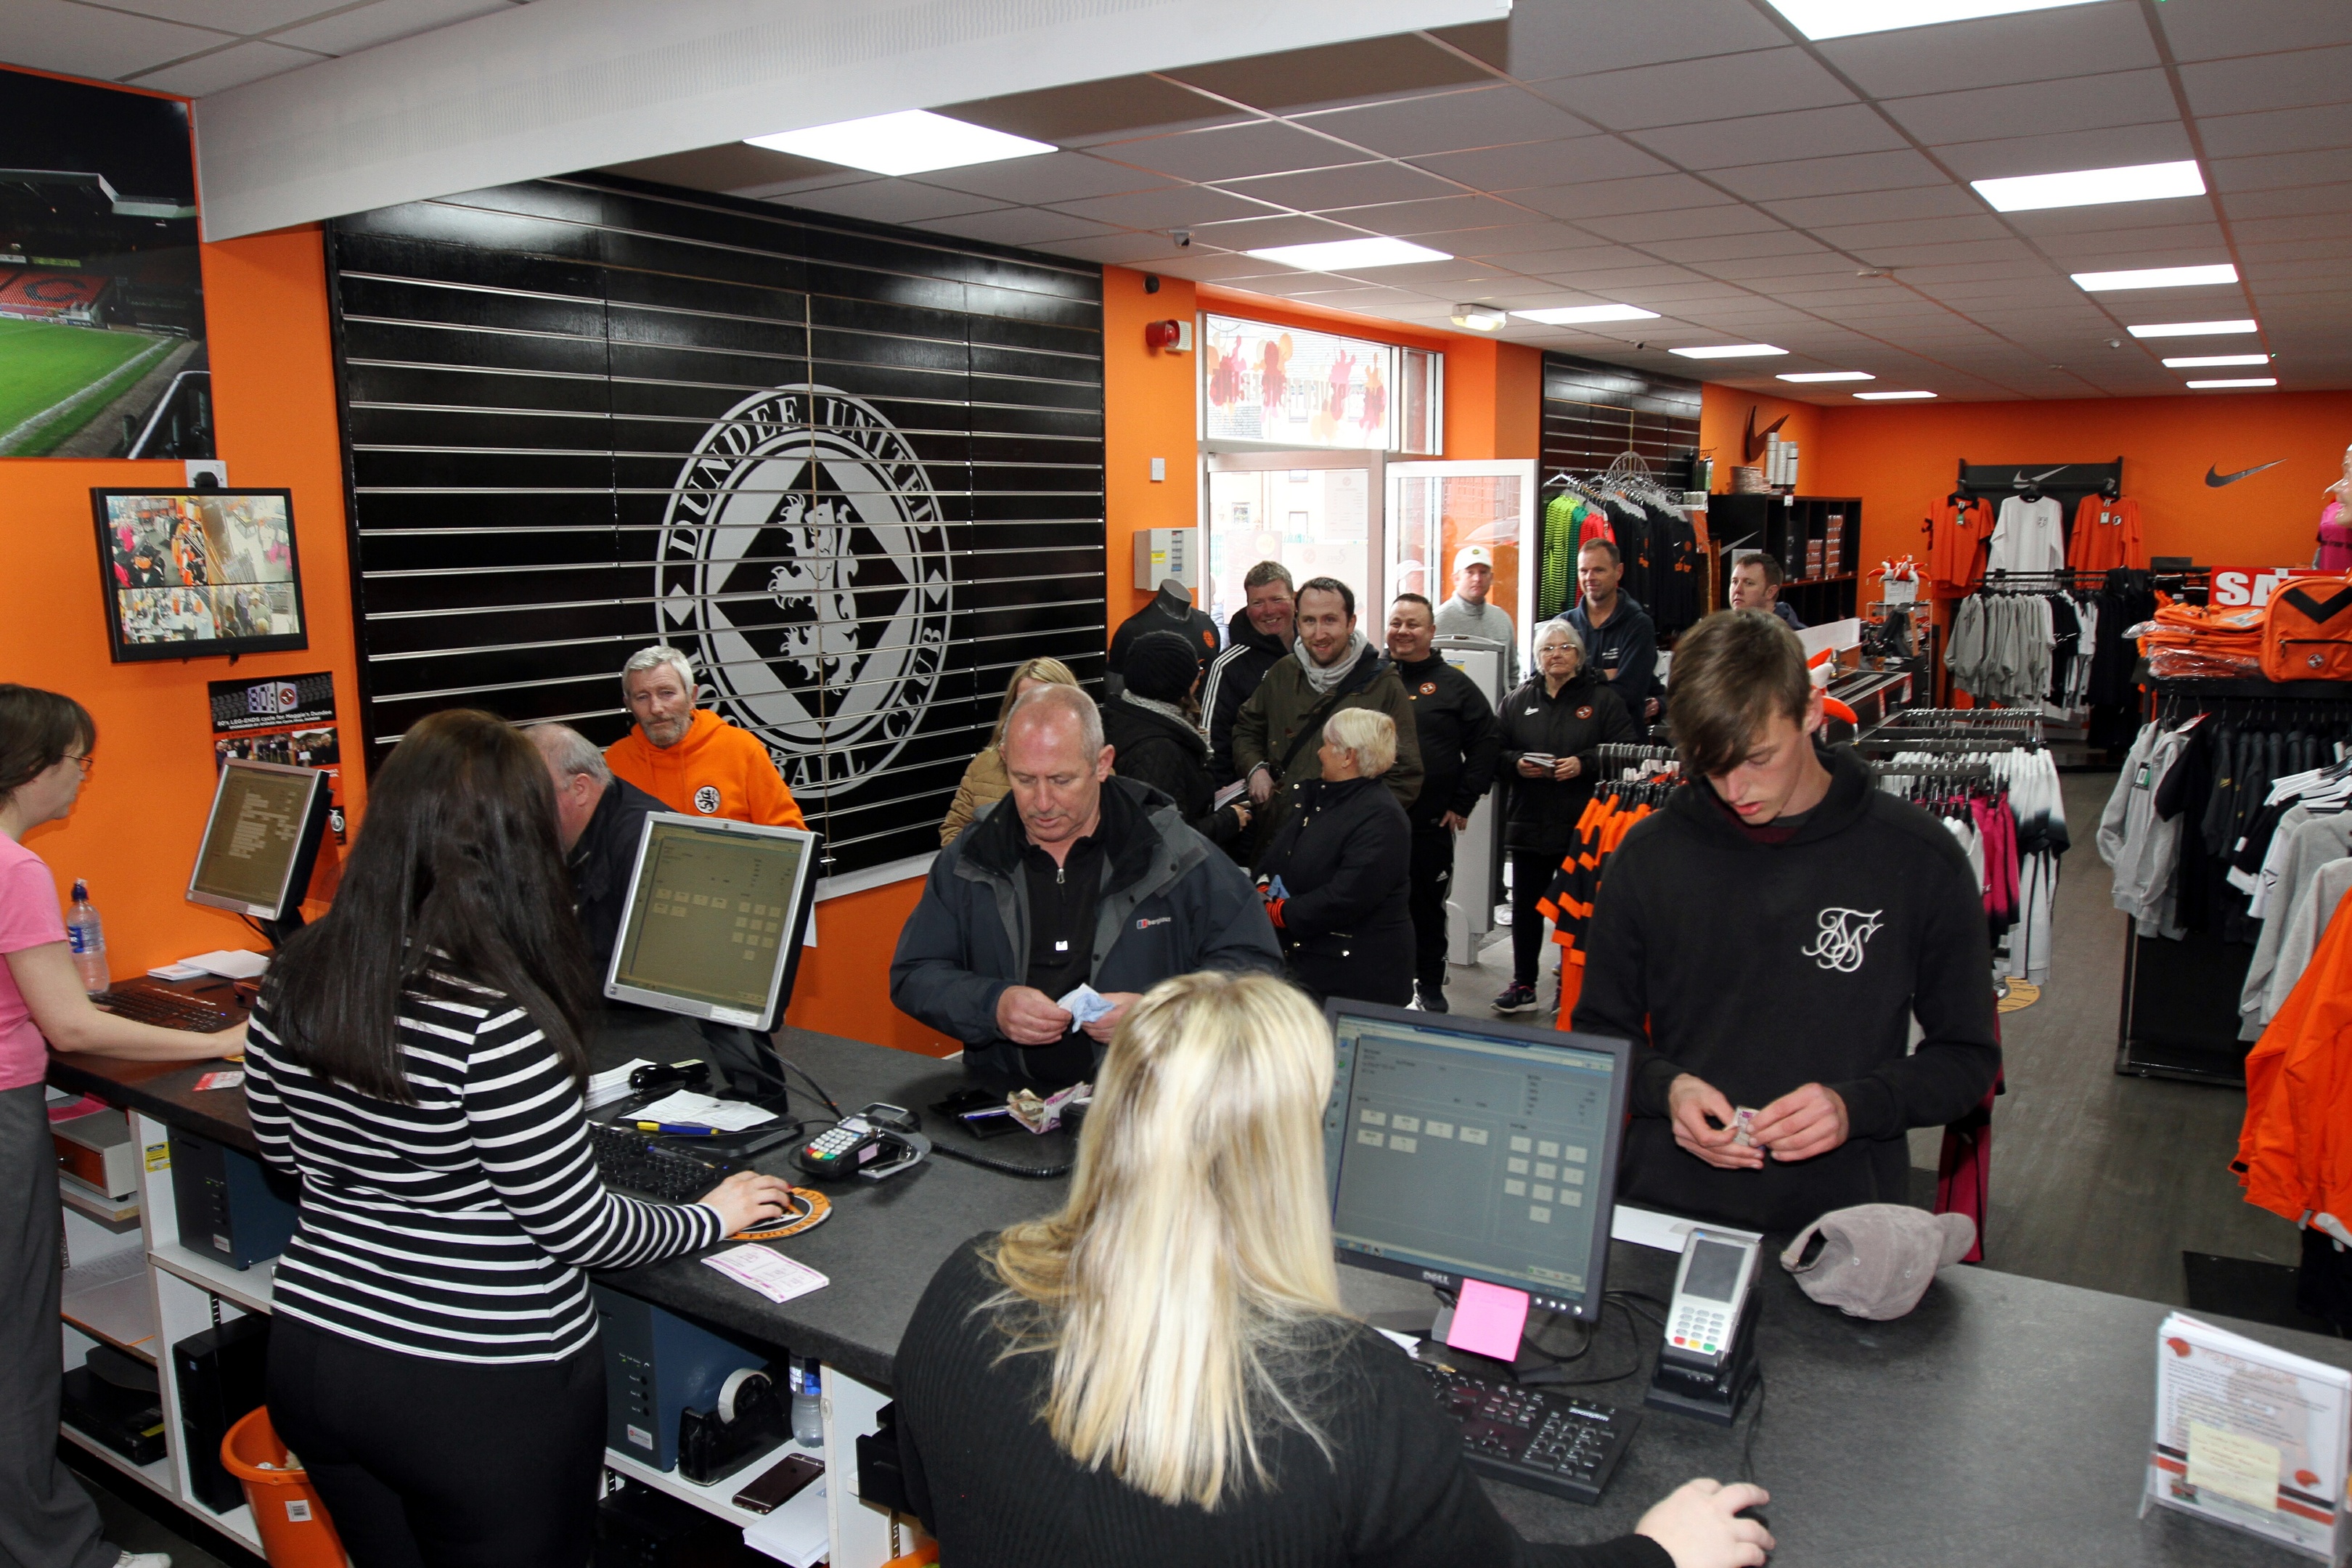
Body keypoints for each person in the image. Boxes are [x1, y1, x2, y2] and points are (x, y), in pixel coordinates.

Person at [893, 969, 1777, 1568]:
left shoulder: (966, 1289)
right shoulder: (1347, 1398)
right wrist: (1658, 1553)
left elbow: (935, 1502)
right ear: (1293, 1154)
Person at [246, 709, 797, 1568]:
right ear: (511, 844)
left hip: (319, 1356)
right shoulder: (495, 1017)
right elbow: (580, 1228)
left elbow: (285, 1155)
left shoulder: (297, 974)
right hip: (476, 1388)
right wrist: (713, 1215)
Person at [1573, 611, 2001, 1233]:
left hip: (1841, 1221)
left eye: (1758, 758)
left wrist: (1857, 1106)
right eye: (1712, 768)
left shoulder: (1919, 857)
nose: (1735, 789)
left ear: (1812, 711)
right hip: (1666, 1205)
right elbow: (1599, 1031)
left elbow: (1967, 1058)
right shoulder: (1648, 854)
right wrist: (1665, 1090)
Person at [2, 686, 236, 1568]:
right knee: (16, 1352)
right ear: (35, 768)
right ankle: (67, 1556)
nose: (82, 781)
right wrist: (222, 1035)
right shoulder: (16, 869)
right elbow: (72, 1027)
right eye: (79, 764)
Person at [891, 685, 1281, 1087]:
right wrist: (992, 1006)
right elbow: (915, 974)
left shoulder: (1177, 854)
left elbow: (1256, 972)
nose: (1042, 802)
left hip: (1144, 1108)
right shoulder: (971, 858)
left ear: (1102, 763)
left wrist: (1161, 1014)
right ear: (1004, 761)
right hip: (1006, 1110)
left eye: (1061, 780)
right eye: (1024, 779)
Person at [1492, 622, 1636, 1014]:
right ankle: (1523, 984)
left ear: (1580, 655)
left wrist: (1585, 764)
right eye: (1547, 649)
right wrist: (1517, 764)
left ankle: (1568, 987)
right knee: (1526, 908)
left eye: (1565, 647)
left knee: (1576, 908)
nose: (1556, 654)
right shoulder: (1517, 701)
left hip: (1582, 824)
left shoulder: (1604, 701)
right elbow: (1495, 753)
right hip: (1529, 821)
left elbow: (1627, 752)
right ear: (1537, 657)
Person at [1230, 577, 1422, 863]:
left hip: (1345, 852)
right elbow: (1246, 727)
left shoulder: (1383, 685)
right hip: (1279, 839)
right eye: (1309, 621)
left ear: (1350, 622)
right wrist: (1256, 769)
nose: (1319, 634)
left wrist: (1351, 825)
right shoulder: (1283, 673)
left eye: (1330, 620)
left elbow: (1405, 774)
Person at [1387, 593, 1499, 1013]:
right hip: (1374, 823)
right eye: (1396, 622)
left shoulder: (1454, 685)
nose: (1403, 631)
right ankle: (1385, 987)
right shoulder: (1375, 678)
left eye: (1413, 624)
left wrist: (1463, 801)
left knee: (1426, 911)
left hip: (1428, 824)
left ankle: (1430, 987)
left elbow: (1488, 741)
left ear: (1431, 632)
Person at [1255, 709, 1414, 1007]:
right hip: (1310, 966)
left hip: (1355, 981)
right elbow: (1276, 855)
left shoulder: (1382, 819)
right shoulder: (1317, 800)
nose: (1319, 752)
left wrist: (1280, 913)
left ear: (1347, 756)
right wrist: (1263, 889)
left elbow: (1347, 897)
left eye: (1327, 744)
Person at [604, 645, 807, 829]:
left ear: (692, 697)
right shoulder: (614, 764)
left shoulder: (741, 749)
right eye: (642, 697)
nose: (656, 708)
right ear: (628, 704)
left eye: (667, 693)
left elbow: (790, 834)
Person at [526, 722, 670, 976]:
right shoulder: (552, 834)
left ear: (580, 789)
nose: (520, 809)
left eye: (531, 796)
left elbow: (652, 975)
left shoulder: (649, 847)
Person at [1101, 632, 1249, 850]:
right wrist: (1228, 820)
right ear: (1181, 685)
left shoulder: (1127, 720)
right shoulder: (1158, 749)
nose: (1199, 678)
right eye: (1196, 673)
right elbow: (1164, 841)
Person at [941, 657, 1082, 846]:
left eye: (1046, 701)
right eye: (1024, 702)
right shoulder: (984, 766)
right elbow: (954, 831)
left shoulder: (1091, 768)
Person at [1202, 560, 1296, 787]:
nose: (1269, 611)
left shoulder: (1317, 652)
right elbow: (1211, 746)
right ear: (1247, 607)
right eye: (1258, 603)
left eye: (1277, 600)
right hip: (1253, 800)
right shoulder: (1227, 667)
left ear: (1294, 599)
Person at [1560, 540, 1660, 723]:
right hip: (1570, 743)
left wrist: (1572, 680)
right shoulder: (1562, 625)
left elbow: (1629, 693)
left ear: (1619, 572)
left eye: (1599, 570)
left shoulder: (1639, 625)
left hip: (1621, 744)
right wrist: (1605, 675)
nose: (1589, 577)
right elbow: (1543, 685)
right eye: (1584, 570)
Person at [1435, 543, 1519, 688]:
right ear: (1456, 578)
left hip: (1498, 709)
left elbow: (1513, 672)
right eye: (1470, 572)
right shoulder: (1437, 621)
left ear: (1491, 578)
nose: (1477, 579)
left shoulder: (1502, 619)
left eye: (1483, 572)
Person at [1108, 581, 1220, 687]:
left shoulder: (1206, 622)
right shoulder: (1134, 629)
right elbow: (1115, 686)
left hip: (1202, 705)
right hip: (1155, 706)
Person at [1728, 552, 1805, 631]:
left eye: (1749, 583)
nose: (1737, 590)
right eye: (1735, 582)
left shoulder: (1791, 638)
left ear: (1770, 592)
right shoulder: (1729, 629)